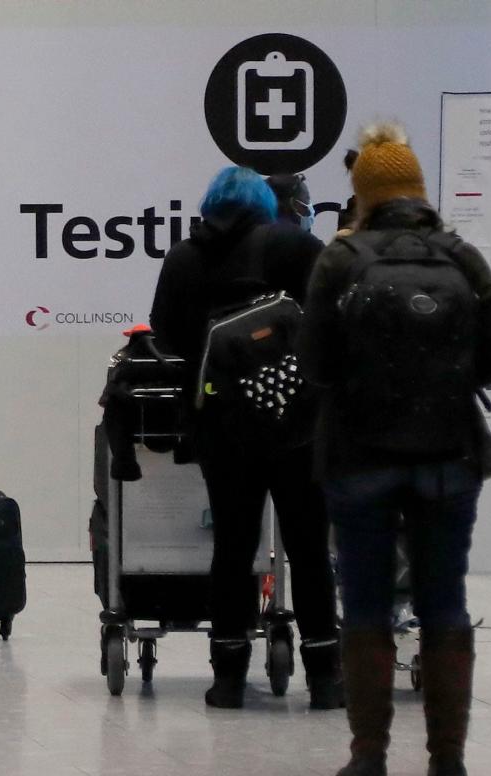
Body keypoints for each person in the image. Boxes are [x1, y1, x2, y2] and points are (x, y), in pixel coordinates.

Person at [297, 124, 491, 776]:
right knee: (443, 603)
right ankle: (447, 760)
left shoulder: (340, 260)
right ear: (419, 191)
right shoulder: (462, 258)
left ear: (363, 194)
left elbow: (313, 366)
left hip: (359, 459)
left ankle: (368, 758)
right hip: (449, 459)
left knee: (365, 606)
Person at [150, 166, 343, 710]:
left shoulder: (184, 258)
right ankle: (326, 676)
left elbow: (165, 334)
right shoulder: (297, 247)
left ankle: (229, 675)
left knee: (233, 549)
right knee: (308, 548)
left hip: (222, 427)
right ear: (265, 204)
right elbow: (330, 325)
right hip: (298, 425)